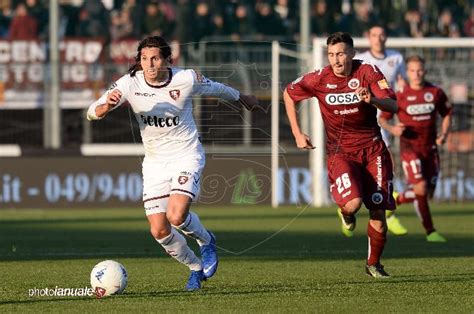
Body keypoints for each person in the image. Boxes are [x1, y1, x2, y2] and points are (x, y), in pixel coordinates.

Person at [87, 36, 259, 291]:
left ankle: (207, 239)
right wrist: (101, 109)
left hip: (186, 155)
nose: (150, 64)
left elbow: (217, 88)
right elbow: (92, 110)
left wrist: (242, 97)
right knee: (159, 231)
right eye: (144, 59)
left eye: (155, 58)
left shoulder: (185, 78)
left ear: (168, 59)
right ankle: (195, 269)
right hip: (155, 163)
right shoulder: (129, 83)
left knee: (177, 215)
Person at [284, 32, 398, 278]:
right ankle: (345, 213)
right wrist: (297, 133)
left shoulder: (368, 72)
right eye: (332, 55)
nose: (336, 60)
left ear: (352, 53)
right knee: (354, 204)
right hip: (341, 153)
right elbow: (288, 93)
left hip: (373, 149)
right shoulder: (319, 78)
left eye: (341, 54)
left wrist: (374, 100)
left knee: (378, 209)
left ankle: (373, 264)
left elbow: (393, 104)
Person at [378, 55, 452, 243]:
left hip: (431, 148)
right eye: (412, 70)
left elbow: (447, 114)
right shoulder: (400, 94)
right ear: (407, 72)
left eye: (419, 70)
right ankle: (430, 232)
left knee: (428, 194)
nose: (416, 74)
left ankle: (396, 199)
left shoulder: (435, 92)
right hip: (409, 147)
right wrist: (393, 128)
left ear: (425, 71)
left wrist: (443, 135)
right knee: (420, 187)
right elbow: (382, 118)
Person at [355, 24, 408, 236]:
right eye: (374, 35)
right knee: (383, 162)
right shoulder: (361, 59)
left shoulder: (396, 58)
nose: (379, 38)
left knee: (388, 164)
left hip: (387, 114)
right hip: (367, 120)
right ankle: (354, 204)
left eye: (382, 34)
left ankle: (386, 209)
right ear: (368, 37)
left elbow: (402, 86)